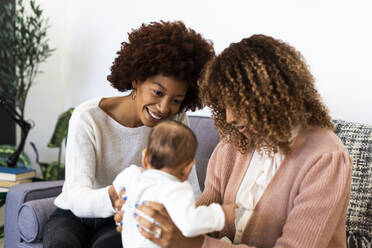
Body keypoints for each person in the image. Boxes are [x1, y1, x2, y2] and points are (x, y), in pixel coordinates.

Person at [115, 34, 352, 247]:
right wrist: (150, 216)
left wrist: (194, 245)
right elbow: (202, 213)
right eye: (224, 105)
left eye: (238, 104)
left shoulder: (326, 158)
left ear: (272, 96)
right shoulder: (232, 145)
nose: (229, 117)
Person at [42, 21, 214, 248]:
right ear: (137, 79)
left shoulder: (176, 120)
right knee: (61, 242)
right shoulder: (89, 118)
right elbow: (75, 195)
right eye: (158, 92)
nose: (164, 108)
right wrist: (116, 195)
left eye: (176, 100)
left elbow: (189, 187)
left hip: (126, 217)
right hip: (75, 215)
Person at [113, 120, 226, 247]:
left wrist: (123, 202)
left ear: (144, 158)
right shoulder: (177, 189)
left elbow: (117, 187)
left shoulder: (131, 174)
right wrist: (221, 214)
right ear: (187, 169)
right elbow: (190, 224)